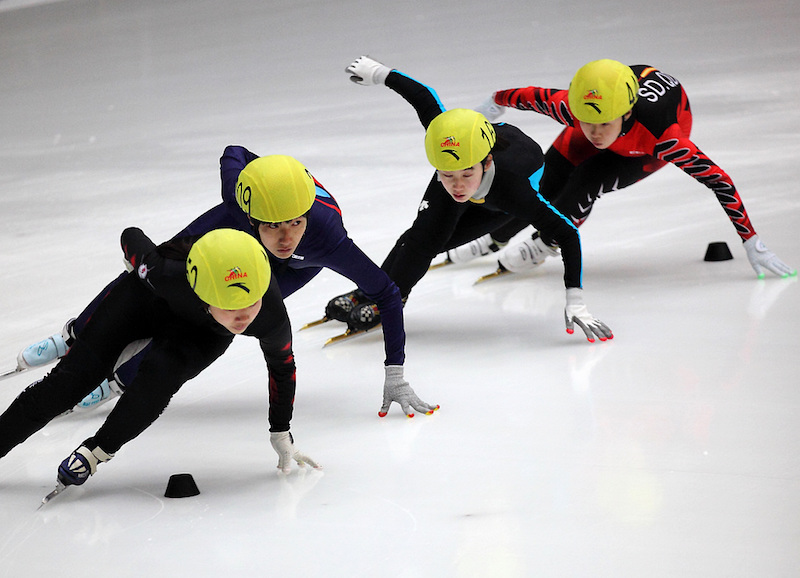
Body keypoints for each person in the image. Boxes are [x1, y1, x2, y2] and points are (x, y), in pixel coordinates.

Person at [16, 150, 436, 418]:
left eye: (296, 223)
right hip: (230, 227)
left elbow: (386, 293)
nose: (287, 237)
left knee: (221, 316)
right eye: (274, 226)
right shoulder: (239, 199)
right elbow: (233, 153)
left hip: (294, 269)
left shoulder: (326, 241)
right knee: (158, 271)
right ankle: (75, 336)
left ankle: (121, 380)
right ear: (253, 217)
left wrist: (394, 371)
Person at [0, 228, 319, 492]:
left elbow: (283, 367)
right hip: (144, 302)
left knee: (158, 379)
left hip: (201, 333)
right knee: (67, 384)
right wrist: (134, 264)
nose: (244, 316)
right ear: (204, 294)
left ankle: (98, 450)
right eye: (230, 307)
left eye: (251, 303)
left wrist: (280, 431)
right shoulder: (165, 273)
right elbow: (131, 235)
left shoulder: (269, 316)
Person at [326, 56, 612, 344]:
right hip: (475, 164)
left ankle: (391, 298)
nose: (458, 187)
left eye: (465, 175)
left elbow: (567, 233)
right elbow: (423, 97)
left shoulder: (513, 190)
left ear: (486, 163)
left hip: (496, 203)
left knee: (436, 242)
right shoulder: (448, 144)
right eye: (447, 175)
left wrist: (575, 298)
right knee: (418, 239)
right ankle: (373, 291)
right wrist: (379, 73)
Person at [462, 59, 795, 279]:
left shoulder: (664, 137)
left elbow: (719, 181)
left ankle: (545, 243)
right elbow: (516, 96)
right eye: (585, 121)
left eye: (602, 124)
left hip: (640, 148)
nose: (593, 133)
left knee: (586, 181)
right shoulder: (572, 108)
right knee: (546, 181)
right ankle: (498, 237)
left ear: (624, 114)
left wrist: (751, 241)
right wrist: (491, 105)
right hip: (622, 122)